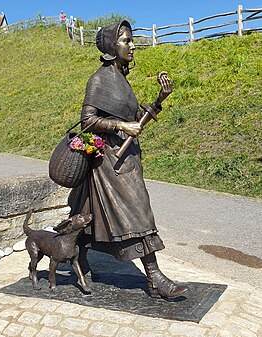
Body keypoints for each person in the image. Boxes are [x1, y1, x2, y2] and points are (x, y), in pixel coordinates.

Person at [67, 20, 188, 299]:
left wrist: (160, 99)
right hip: (111, 162)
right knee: (139, 211)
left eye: (131, 40)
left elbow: (136, 121)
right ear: (112, 46)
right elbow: (88, 120)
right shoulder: (99, 80)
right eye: (125, 41)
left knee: (92, 214)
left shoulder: (122, 79)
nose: (132, 46)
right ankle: (154, 277)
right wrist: (120, 127)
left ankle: (79, 257)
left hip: (127, 157)